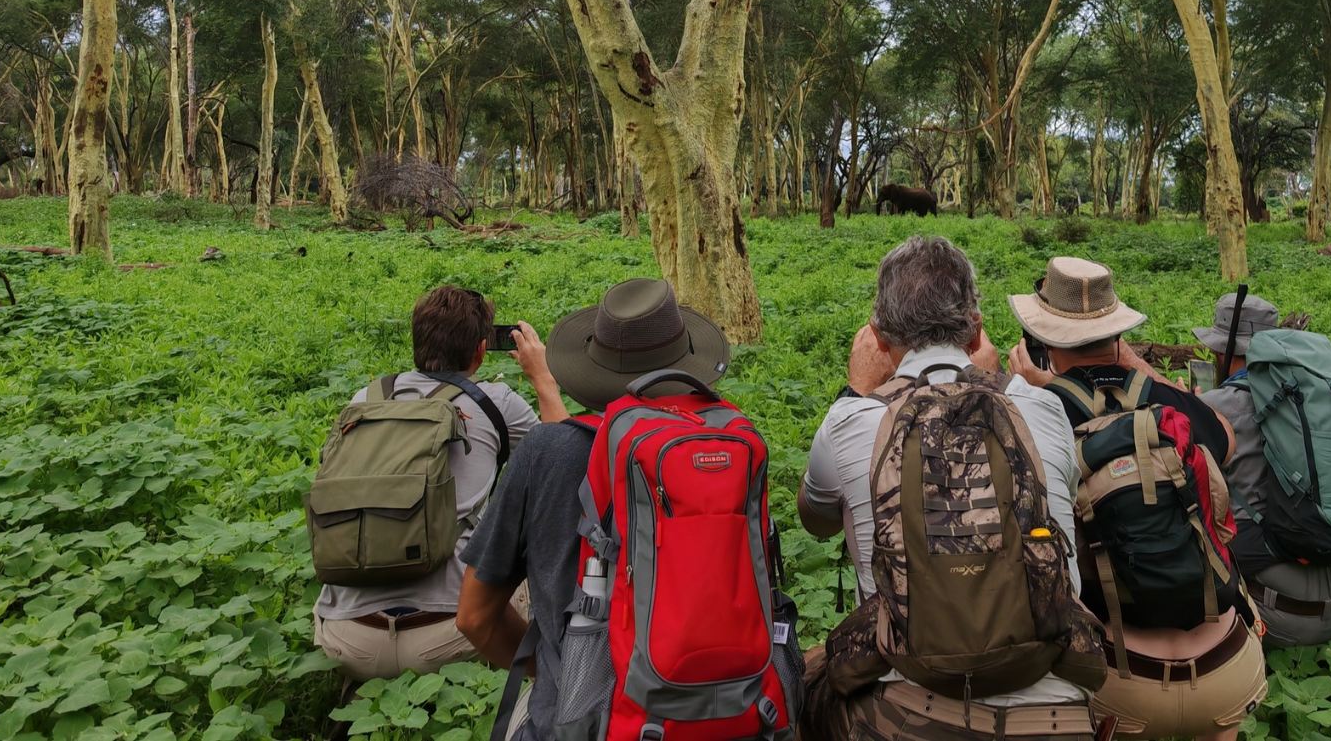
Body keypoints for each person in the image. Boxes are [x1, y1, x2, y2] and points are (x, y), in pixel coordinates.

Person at [799, 235, 1100, 741]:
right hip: (1057, 710)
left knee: (807, 683)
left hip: (907, 708)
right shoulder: (1043, 409)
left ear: (876, 334)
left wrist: (854, 392)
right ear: (975, 328)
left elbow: (816, 519)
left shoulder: (850, 420)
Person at [456, 278, 732, 741]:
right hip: (718, 710)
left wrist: (551, 669)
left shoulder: (547, 453)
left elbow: (474, 617)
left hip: (580, 719)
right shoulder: (728, 450)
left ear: (591, 367)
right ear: (687, 364)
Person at [1008, 257, 1268, 741]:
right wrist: (1135, 366)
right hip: (1228, 671)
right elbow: (1226, 439)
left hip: (1123, 685)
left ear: (1042, 343)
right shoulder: (1165, 404)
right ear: (1117, 335)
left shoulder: (1036, 418)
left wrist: (1033, 390)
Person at [313, 285, 565, 680]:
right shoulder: (495, 400)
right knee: (535, 546)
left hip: (347, 637)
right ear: (482, 350)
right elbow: (563, 461)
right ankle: (539, 684)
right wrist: (544, 378)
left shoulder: (365, 399)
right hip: (453, 635)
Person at [1195, 294, 1331, 649]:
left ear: (1224, 351)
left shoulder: (1218, 405)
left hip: (1277, 615)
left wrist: (1193, 406)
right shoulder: (1310, 399)